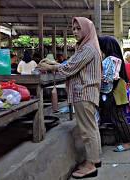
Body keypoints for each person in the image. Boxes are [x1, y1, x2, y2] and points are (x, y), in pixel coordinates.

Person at [38, 17, 101, 179]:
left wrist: (51, 67)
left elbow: (70, 67)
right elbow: (71, 63)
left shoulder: (88, 48)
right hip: (86, 93)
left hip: (84, 93)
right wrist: (52, 64)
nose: (75, 31)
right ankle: (95, 159)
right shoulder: (84, 47)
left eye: (78, 28)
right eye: (73, 28)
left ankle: (91, 164)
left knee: (87, 130)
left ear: (87, 30)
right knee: (91, 128)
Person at [98, 36, 130, 153]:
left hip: (114, 92)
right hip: (117, 91)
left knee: (118, 117)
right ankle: (126, 140)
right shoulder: (117, 58)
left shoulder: (112, 59)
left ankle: (129, 142)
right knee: (117, 116)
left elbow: (109, 78)